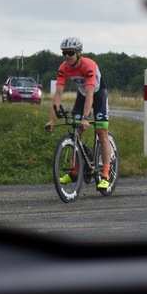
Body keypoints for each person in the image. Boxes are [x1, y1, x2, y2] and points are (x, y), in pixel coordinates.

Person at [45, 37, 113, 190]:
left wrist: (86, 117)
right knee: (76, 131)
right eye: (64, 53)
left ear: (78, 53)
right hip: (82, 95)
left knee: (101, 131)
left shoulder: (88, 65)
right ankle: (75, 171)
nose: (67, 56)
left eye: (70, 53)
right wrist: (52, 120)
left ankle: (106, 174)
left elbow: (90, 93)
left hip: (98, 94)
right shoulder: (64, 67)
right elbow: (58, 94)